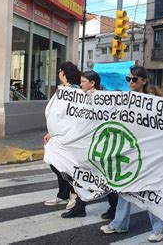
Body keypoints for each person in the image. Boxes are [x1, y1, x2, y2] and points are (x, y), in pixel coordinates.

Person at [100, 66, 163, 243]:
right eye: (128, 79)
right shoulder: (125, 98)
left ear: (144, 81)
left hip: (149, 153)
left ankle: (159, 228)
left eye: (134, 79)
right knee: (124, 186)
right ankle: (119, 223)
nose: (130, 82)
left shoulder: (154, 102)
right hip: (130, 151)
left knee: (148, 190)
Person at [60, 70, 101, 218]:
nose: (81, 84)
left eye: (84, 82)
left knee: (99, 176)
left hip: (92, 144)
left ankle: (113, 206)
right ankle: (80, 206)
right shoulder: (82, 96)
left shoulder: (100, 99)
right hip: (81, 143)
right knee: (79, 175)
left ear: (92, 83)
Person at [43, 62, 81, 209]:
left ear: (64, 73)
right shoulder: (63, 90)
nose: (58, 73)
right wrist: (50, 132)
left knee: (66, 166)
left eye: (60, 71)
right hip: (57, 135)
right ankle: (63, 193)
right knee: (55, 164)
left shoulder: (73, 92)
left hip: (68, 135)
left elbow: (70, 116)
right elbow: (57, 115)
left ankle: (74, 193)